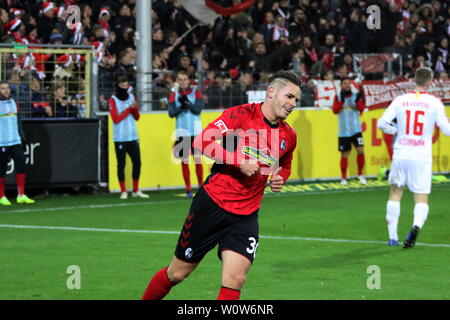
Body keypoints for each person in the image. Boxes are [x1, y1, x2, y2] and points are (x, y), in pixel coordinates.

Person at [141, 70, 301, 300]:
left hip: (246, 215)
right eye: (289, 96)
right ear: (271, 91)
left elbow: (285, 164)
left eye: (296, 100)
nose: (292, 104)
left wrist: (280, 178)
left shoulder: (289, 135)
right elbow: (202, 141)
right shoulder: (241, 115)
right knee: (177, 273)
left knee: (235, 279)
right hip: (212, 205)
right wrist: (239, 162)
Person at [377, 67, 450, 248]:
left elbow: (382, 123)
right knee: (421, 197)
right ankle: (416, 226)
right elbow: (446, 130)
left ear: (413, 80)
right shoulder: (434, 102)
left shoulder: (401, 100)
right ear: (430, 82)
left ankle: (392, 237)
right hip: (421, 156)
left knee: (395, 192)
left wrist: (396, 131)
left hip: (401, 152)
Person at [108, 75, 148, 199]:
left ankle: (136, 190)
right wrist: (128, 109)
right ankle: (123, 190)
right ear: (118, 86)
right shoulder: (113, 100)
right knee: (121, 164)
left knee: (137, 163)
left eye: (127, 85)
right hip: (120, 137)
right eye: (122, 85)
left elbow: (137, 117)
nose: (125, 88)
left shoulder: (131, 97)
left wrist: (134, 109)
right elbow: (115, 119)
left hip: (133, 137)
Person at [168, 71, 204, 198]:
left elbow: (198, 109)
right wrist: (181, 108)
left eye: (185, 79)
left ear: (189, 80)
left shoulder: (196, 92)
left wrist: (187, 103)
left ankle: (201, 188)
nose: (183, 82)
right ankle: (188, 189)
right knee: (185, 162)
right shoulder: (173, 94)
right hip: (182, 132)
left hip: (196, 132)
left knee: (198, 160)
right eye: (180, 79)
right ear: (177, 81)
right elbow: (171, 113)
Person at [0, 81, 34, 206]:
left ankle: (21, 194)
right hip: (2, 142)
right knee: (1, 169)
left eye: (7, 88)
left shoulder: (15, 103)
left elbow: (18, 122)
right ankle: (1, 196)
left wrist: (22, 137)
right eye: (3, 88)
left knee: (21, 165)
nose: (6, 90)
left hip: (15, 140)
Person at [332, 78, 367, 185]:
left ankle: (360, 175)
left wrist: (357, 102)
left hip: (356, 130)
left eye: (349, 84)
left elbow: (361, 109)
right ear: (341, 85)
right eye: (345, 84)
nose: (347, 85)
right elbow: (335, 111)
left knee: (360, 150)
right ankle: (343, 178)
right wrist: (342, 101)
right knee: (344, 155)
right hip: (344, 132)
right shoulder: (337, 97)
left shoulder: (356, 96)